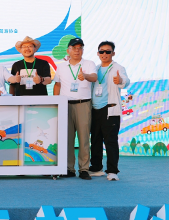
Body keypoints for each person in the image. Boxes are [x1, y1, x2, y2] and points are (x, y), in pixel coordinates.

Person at [53, 37, 98, 179]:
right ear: (68, 50)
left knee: (84, 138)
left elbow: (94, 77)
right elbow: (57, 85)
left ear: (82, 50)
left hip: (83, 104)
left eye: (80, 48)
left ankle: (84, 169)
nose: (77, 50)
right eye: (74, 48)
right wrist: (55, 103)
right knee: (67, 138)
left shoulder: (89, 64)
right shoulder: (61, 66)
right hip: (65, 105)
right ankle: (69, 168)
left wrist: (85, 75)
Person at [88, 41, 130, 181]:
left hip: (109, 109)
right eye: (101, 51)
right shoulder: (95, 68)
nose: (104, 54)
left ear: (113, 53)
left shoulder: (118, 68)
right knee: (95, 140)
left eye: (108, 51)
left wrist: (120, 80)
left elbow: (126, 81)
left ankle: (112, 171)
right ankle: (96, 168)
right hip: (95, 109)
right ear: (98, 53)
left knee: (110, 141)